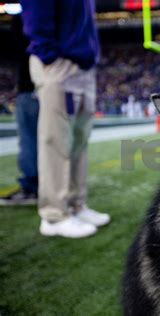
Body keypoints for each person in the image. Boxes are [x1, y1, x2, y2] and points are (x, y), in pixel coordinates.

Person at [21, 0, 110, 238]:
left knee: (78, 141)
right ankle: (53, 215)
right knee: (56, 141)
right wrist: (50, 56)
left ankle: (75, 204)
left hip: (81, 65)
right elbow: (36, 14)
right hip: (60, 63)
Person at [0, 15, 38, 206]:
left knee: (30, 140)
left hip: (31, 86)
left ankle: (32, 185)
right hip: (39, 85)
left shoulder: (27, 16)